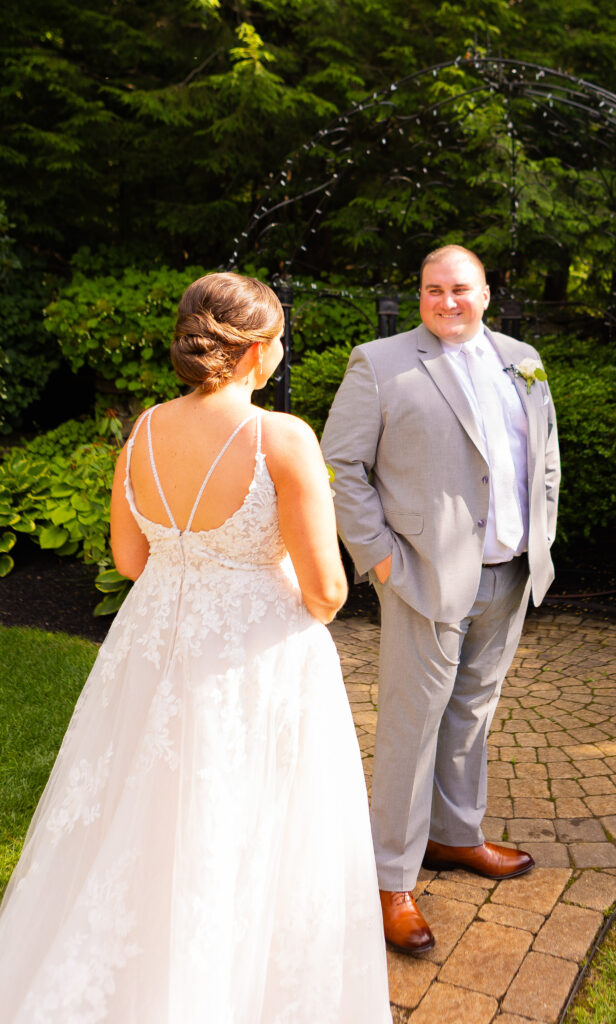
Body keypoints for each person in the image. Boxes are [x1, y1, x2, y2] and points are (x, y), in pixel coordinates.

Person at [0, 272, 392, 1023]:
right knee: (246, 826)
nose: (280, 353)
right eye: (278, 340)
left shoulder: (143, 428)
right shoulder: (283, 437)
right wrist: (259, 563)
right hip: (253, 658)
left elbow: (130, 560)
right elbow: (327, 594)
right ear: (254, 352)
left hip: (152, 645)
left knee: (141, 817)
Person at [321, 244, 560, 953]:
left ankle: (456, 837)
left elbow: (543, 453)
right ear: (419, 295)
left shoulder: (522, 357)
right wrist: (381, 559)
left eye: (460, 289)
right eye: (432, 289)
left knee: (472, 714)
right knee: (410, 726)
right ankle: (391, 877)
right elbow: (341, 464)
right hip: (423, 576)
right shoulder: (381, 362)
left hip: (511, 572)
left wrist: (542, 524)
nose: (446, 301)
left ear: (487, 294)